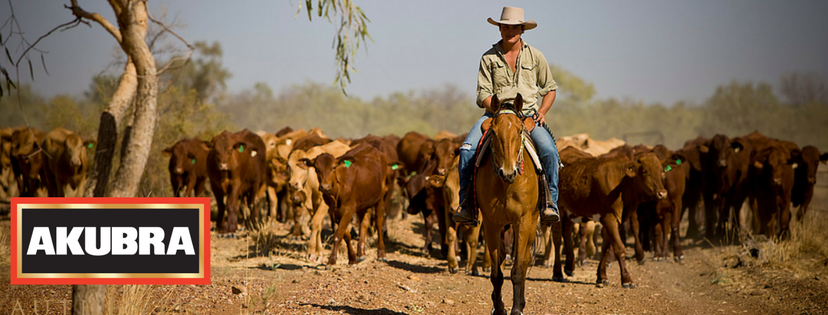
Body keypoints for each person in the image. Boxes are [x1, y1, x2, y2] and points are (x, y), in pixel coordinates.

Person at [452, 6, 561, 226]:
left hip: (527, 114)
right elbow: (483, 92)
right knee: (466, 150)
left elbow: (550, 88)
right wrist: (492, 108)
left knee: (549, 151)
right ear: (499, 29)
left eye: (514, 27)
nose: (510, 31)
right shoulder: (488, 58)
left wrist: (541, 112)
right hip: (495, 114)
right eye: (505, 27)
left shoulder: (536, 56)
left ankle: (550, 203)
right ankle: (468, 205)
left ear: (522, 30)